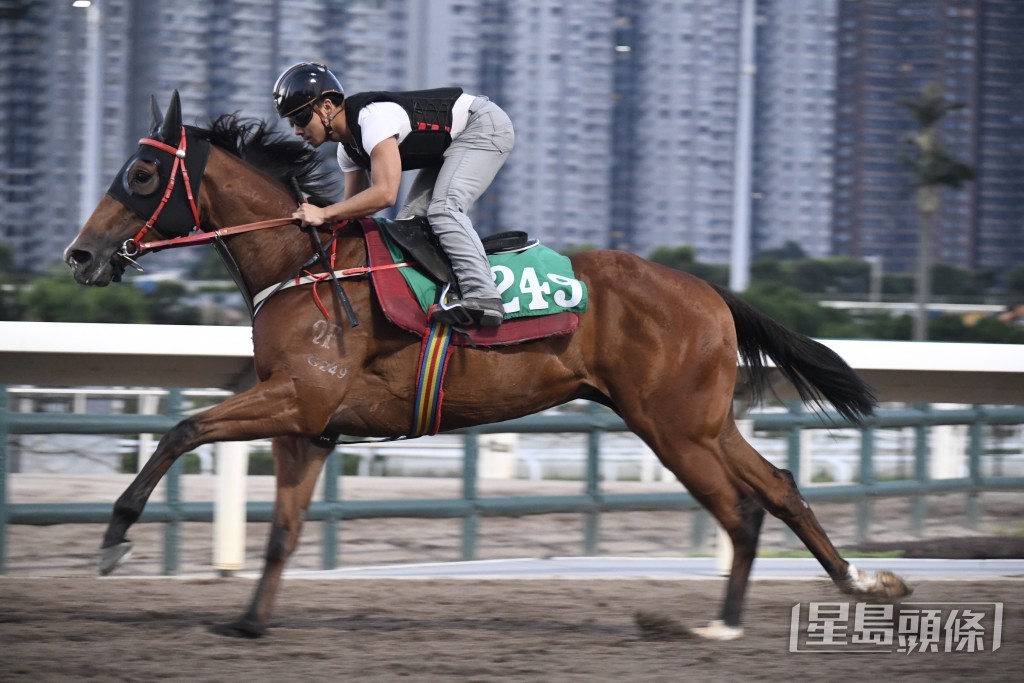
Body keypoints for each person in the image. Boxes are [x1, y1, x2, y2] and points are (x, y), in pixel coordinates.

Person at [272, 61, 514, 327]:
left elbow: (385, 194)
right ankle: (445, 293)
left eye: (299, 118)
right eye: (291, 122)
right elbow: (357, 210)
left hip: (482, 126)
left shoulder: (373, 120)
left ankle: (484, 296)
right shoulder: (347, 151)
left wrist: (325, 213)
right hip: (451, 144)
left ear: (327, 107)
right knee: (409, 225)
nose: (296, 130)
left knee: (443, 210)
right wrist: (318, 212)